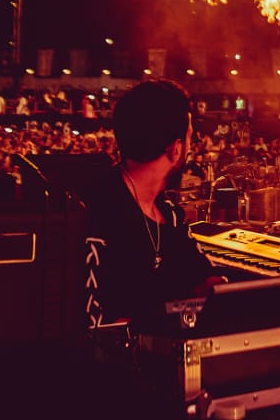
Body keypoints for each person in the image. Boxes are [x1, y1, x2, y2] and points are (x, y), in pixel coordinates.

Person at [82, 79, 227, 330]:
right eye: (189, 138)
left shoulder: (168, 216)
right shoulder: (94, 215)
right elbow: (91, 326)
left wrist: (215, 286)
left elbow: (205, 276)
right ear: (175, 149)